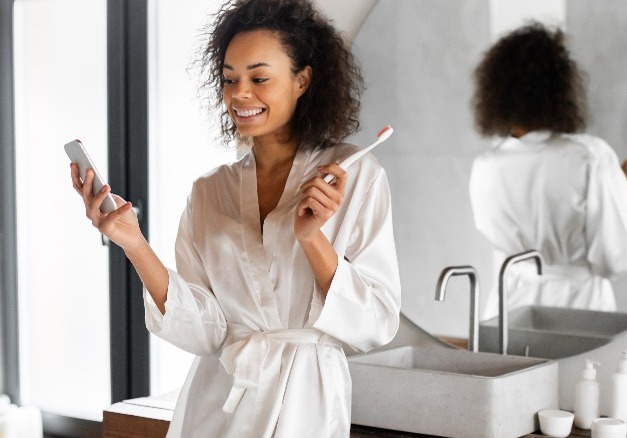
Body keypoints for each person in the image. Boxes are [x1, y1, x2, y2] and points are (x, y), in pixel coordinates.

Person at [70, 0, 401, 436]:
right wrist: (134, 244)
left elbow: (377, 322)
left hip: (306, 402)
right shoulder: (210, 191)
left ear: (302, 80)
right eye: (229, 79)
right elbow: (206, 333)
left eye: (259, 78)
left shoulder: (354, 176)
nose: (239, 94)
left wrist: (311, 238)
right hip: (217, 405)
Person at [469, 22, 627, 320]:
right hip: (578, 312)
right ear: (561, 88)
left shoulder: (485, 166)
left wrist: (616, 184)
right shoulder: (590, 156)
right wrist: (623, 189)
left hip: (508, 310)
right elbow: (613, 260)